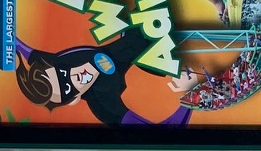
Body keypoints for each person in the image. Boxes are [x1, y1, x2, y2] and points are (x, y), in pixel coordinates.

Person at [14, 29, 206, 126]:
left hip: (136, 36)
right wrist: (189, 94)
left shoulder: (53, 61)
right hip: (163, 61)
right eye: (67, 88)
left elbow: (17, 45)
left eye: (63, 73)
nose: (74, 77)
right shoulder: (104, 105)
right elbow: (160, 136)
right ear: (73, 99)